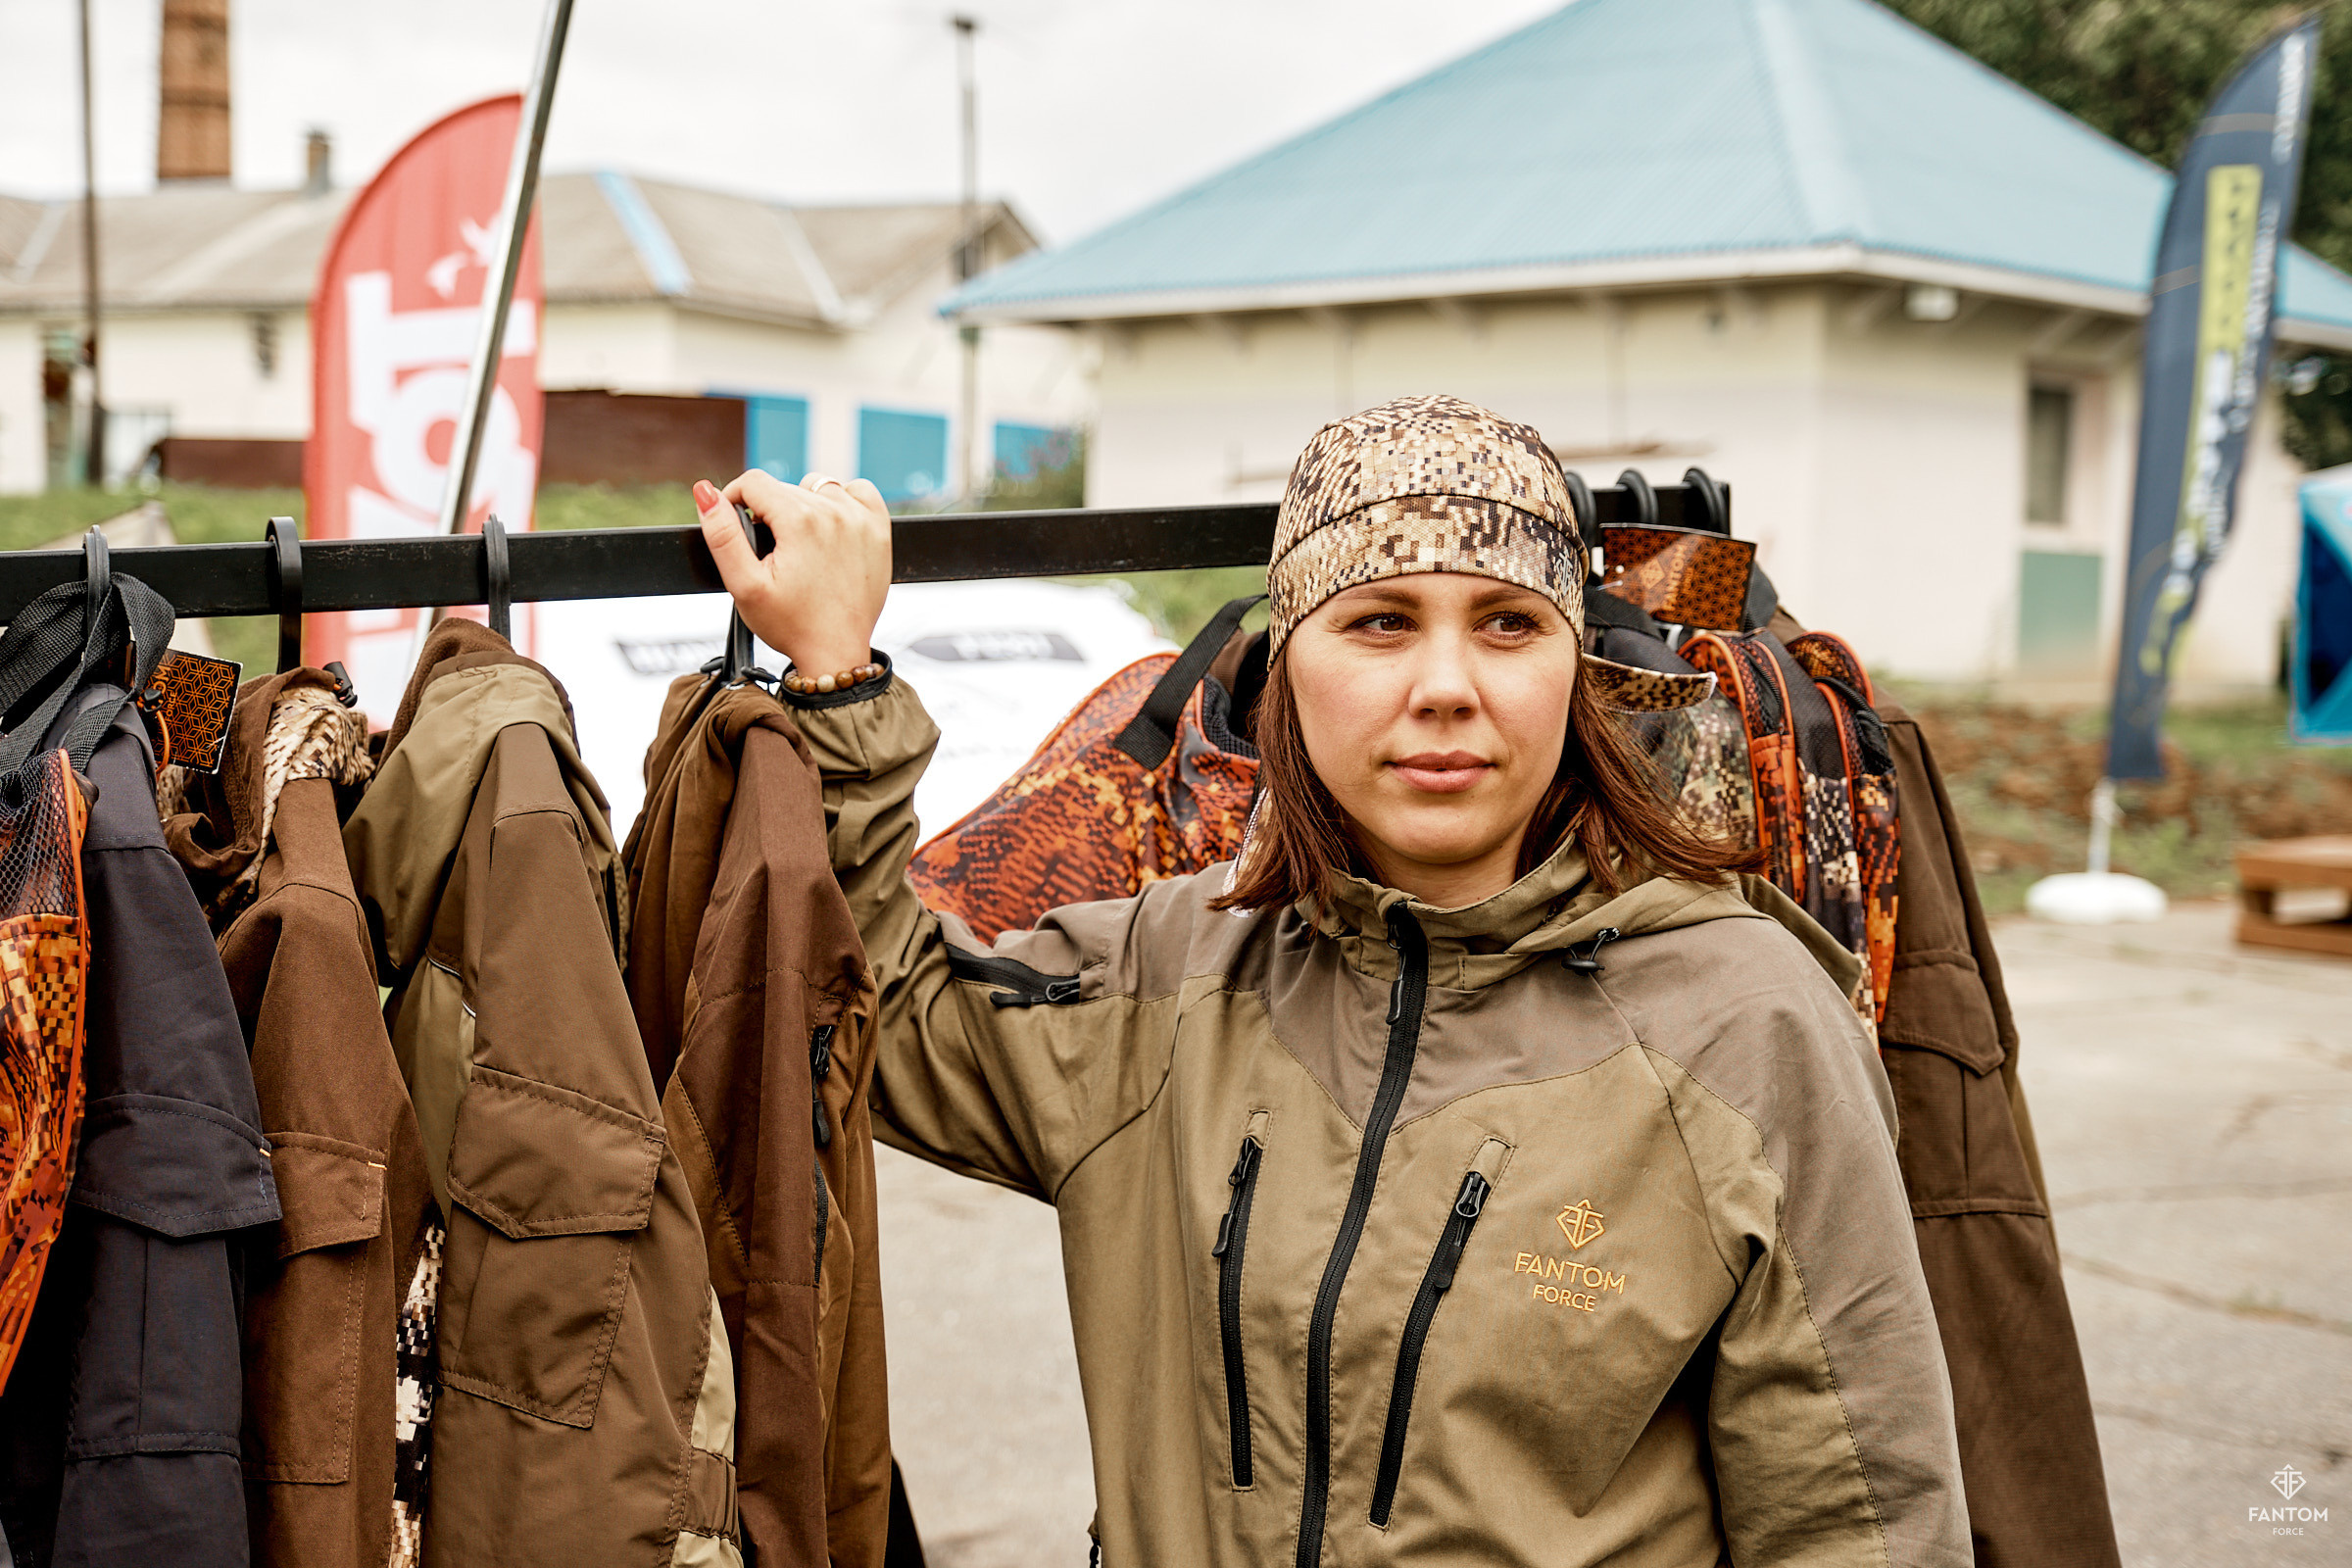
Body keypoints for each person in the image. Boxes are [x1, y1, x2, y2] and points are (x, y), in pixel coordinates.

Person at [697, 394, 1970, 1567]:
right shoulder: (1170, 981)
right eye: (1380, 622)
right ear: (1289, 668)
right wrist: (837, 680)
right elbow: (875, 1009)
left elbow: (1862, 1524)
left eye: (1509, 624)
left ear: (1575, 669)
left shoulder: (1745, 1022)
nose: (1446, 689)